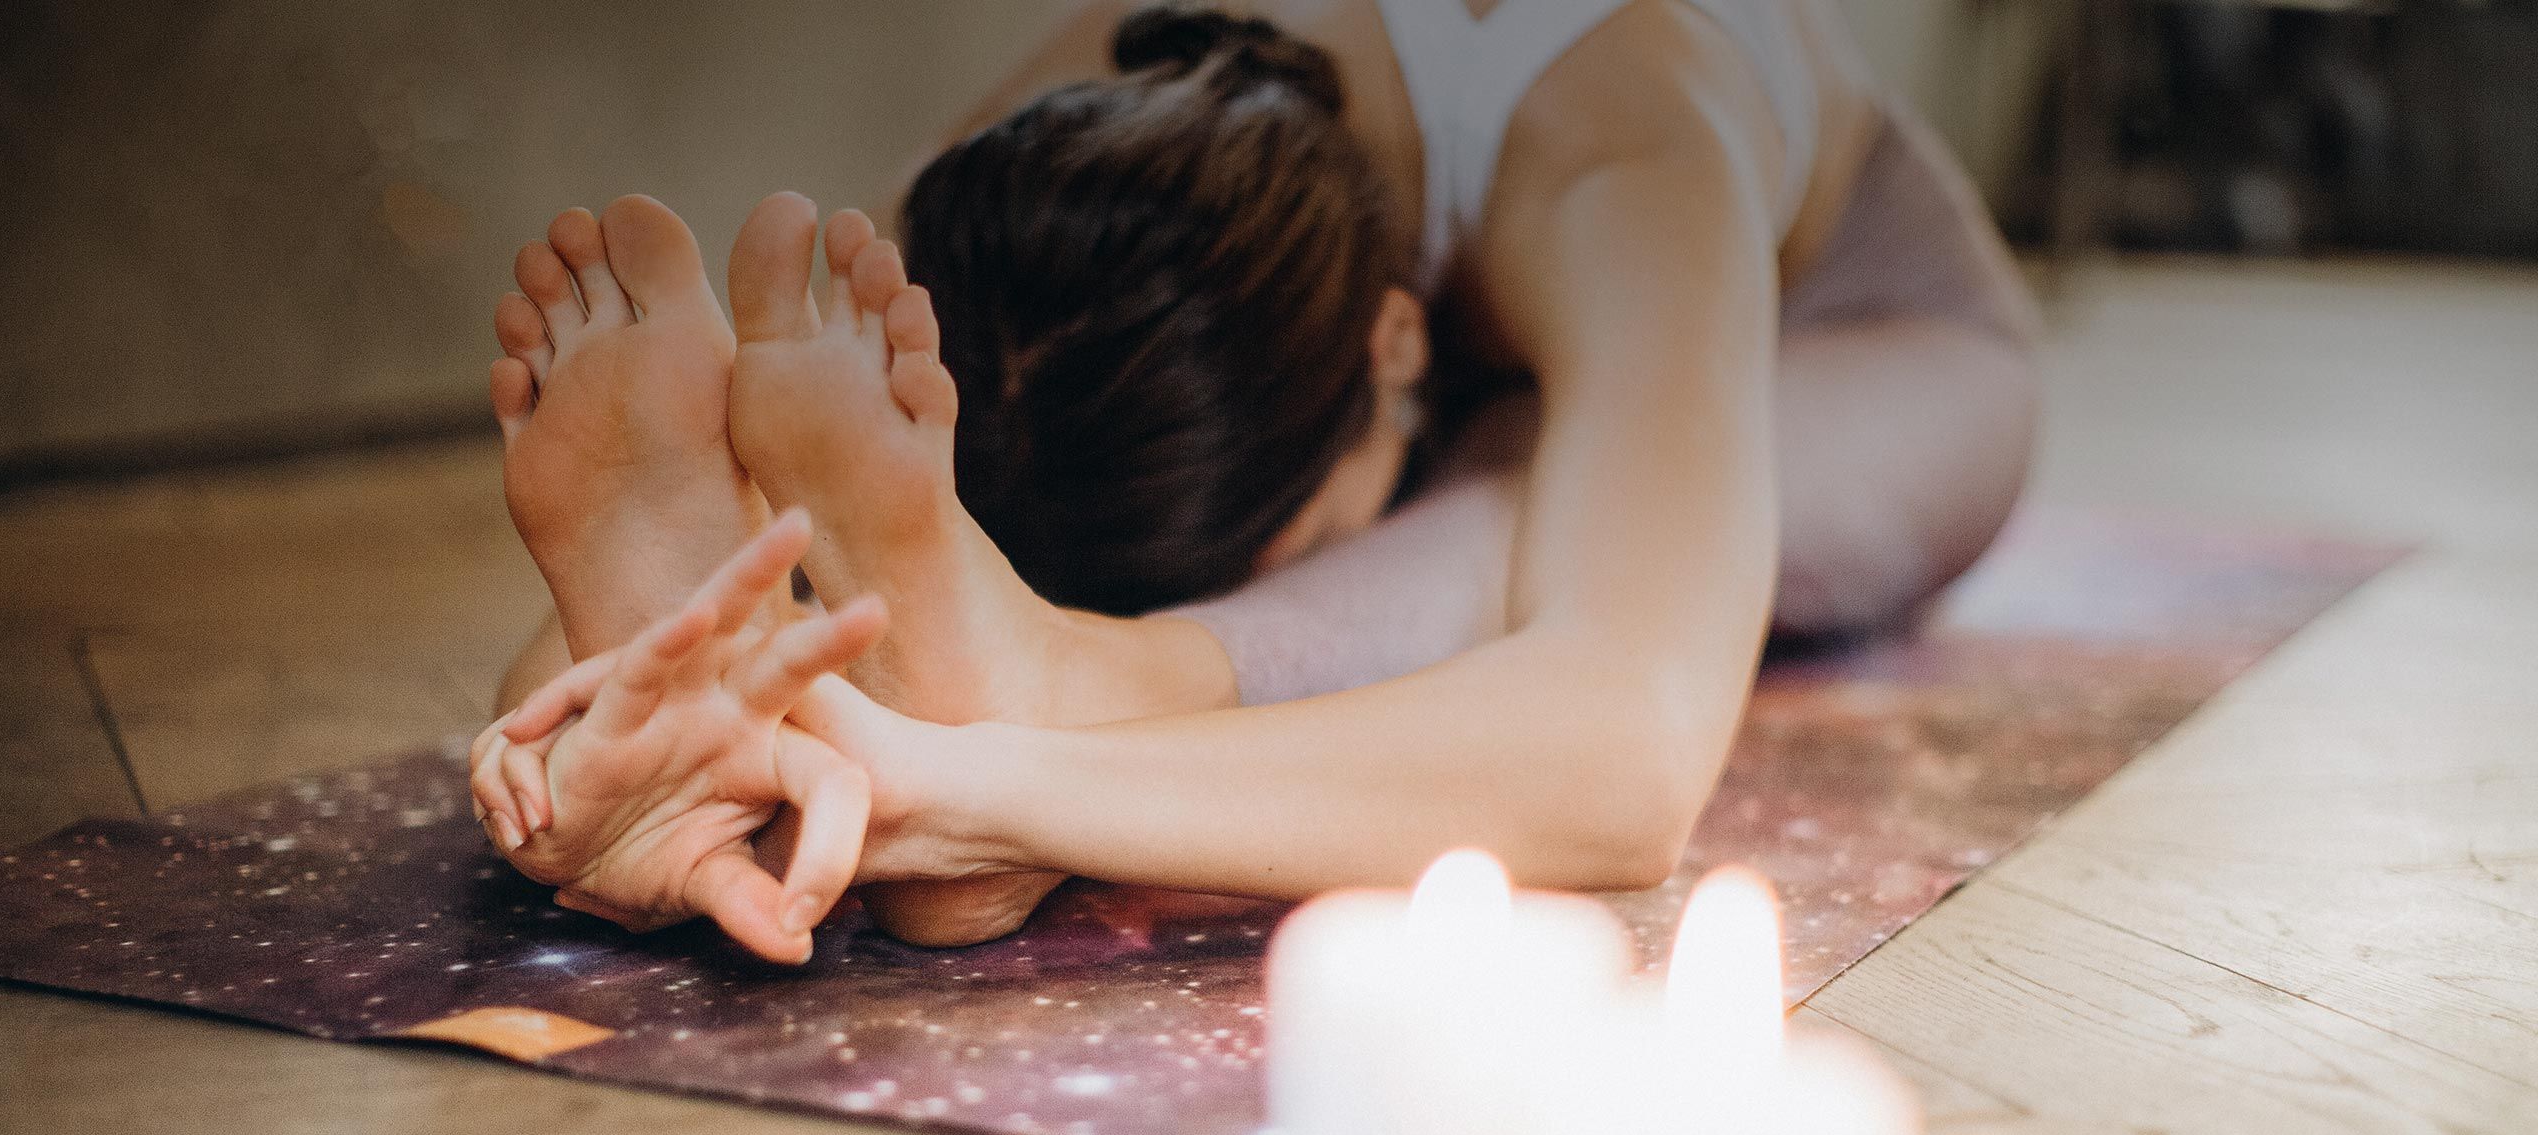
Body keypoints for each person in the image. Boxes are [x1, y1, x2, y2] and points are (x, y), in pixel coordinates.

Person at [470, 0, 2039, 964]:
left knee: (1521, 504)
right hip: (1451, 354)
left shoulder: (1632, 153)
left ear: (1401, 338)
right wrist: (631, 715)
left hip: (1872, 343)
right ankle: (1007, 643)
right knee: (906, 480)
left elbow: (1624, 753)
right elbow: (799, 479)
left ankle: (1075, 669)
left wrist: (969, 797)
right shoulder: (1101, 127)